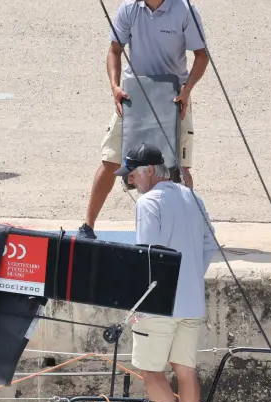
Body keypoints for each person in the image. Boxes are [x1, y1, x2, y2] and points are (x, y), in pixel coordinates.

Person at [118, 143, 217, 402]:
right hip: (192, 302)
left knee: (150, 370)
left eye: (132, 174)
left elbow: (148, 254)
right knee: (185, 370)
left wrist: (139, 303)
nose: (130, 181)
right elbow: (210, 244)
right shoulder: (193, 197)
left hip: (160, 303)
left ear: (148, 170)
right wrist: (191, 275)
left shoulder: (148, 202)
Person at [79, 0, 208, 240]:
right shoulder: (128, 8)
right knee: (110, 160)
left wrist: (187, 90)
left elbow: (201, 56)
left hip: (174, 96)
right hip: (133, 95)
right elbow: (114, 50)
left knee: (179, 168)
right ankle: (88, 226)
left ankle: (190, 231)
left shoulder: (184, 10)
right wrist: (115, 87)